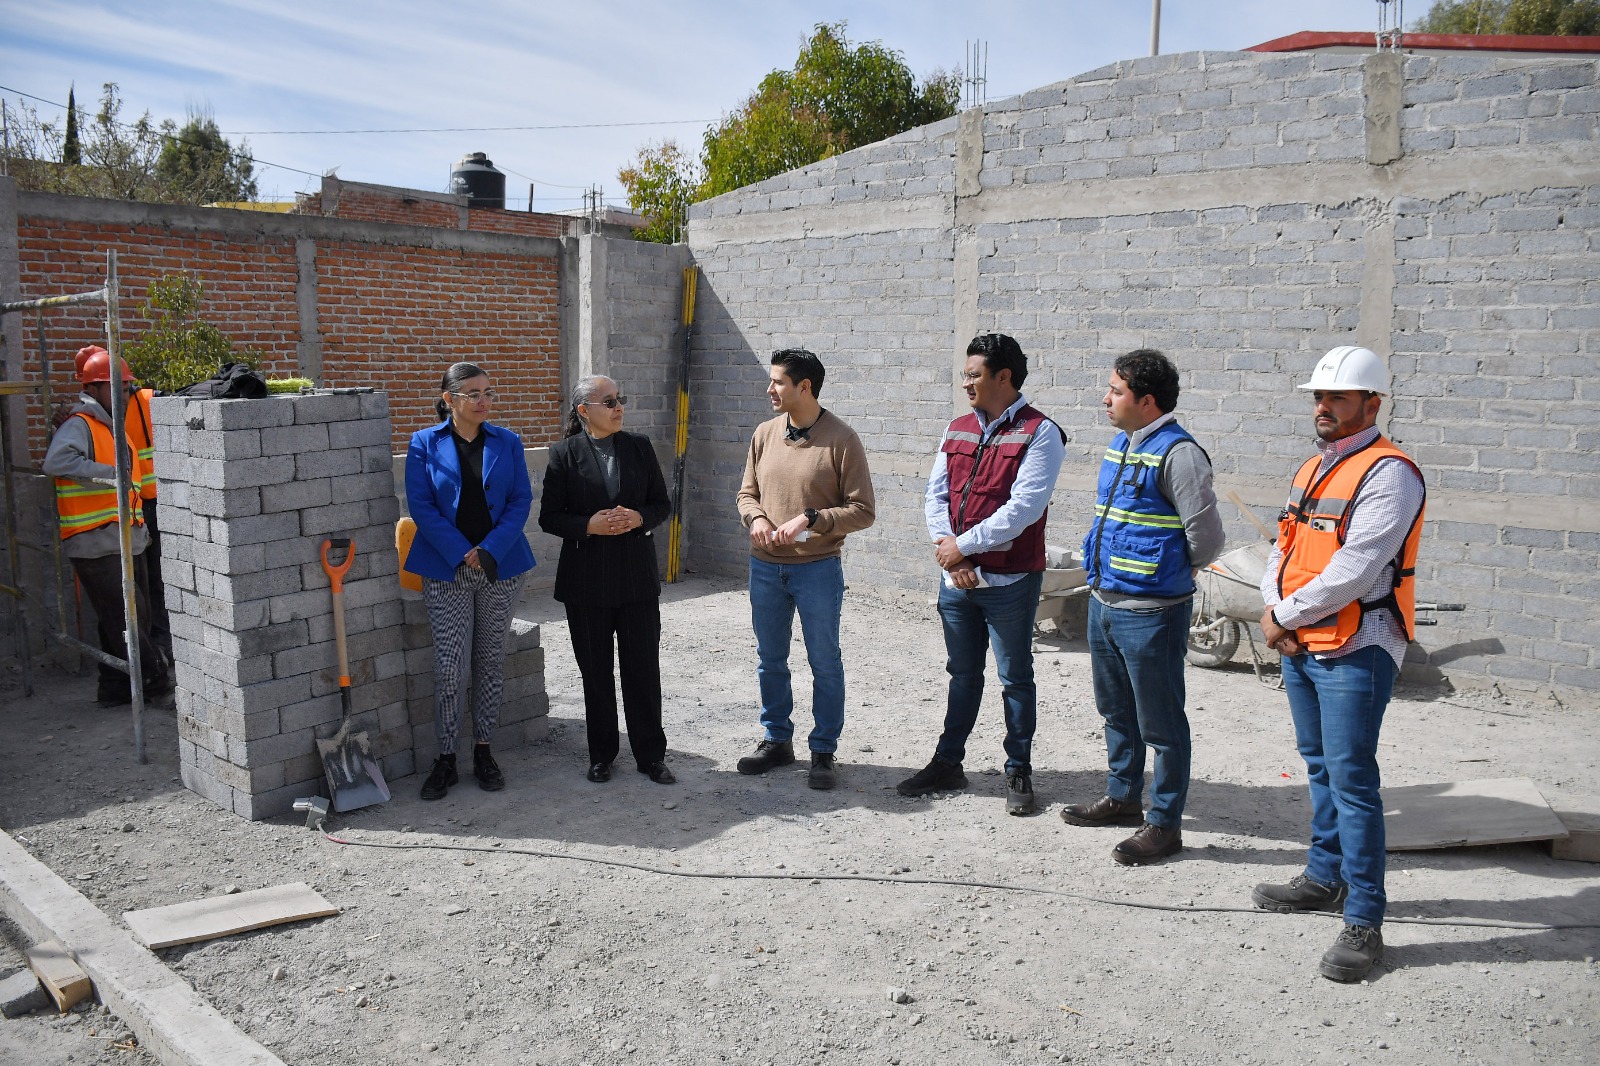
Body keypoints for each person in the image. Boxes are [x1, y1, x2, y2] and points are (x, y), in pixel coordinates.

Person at [1255, 345, 1426, 983]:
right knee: (1321, 765)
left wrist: (1284, 616)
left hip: (1358, 644)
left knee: (1353, 779)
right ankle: (1324, 876)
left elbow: (1356, 569)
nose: (1323, 408)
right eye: (1318, 398)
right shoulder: (1313, 468)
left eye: (1337, 399)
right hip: (1303, 637)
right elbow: (1284, 545)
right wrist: (1277, 608)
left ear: (1371, 404)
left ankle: (1365, 917)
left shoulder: (1391, 474)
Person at [1060, 349, 1224, 863]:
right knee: (1115, 710)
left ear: (1146, 401)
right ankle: (1124, 796)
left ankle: (1164, 823)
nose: (1105, 398)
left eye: (1115, 390)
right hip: (1106, 601)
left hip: (1152, 610)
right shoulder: (1122, 444)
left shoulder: (1181, 454)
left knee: (1161, 722)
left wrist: (1172, 570)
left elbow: (1208, 540)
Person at [899, 334, 1065, 816]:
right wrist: (954, 556)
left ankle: (1019, 769)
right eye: (965, 374)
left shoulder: (1041, 433)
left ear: (1004, 377)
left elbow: (1024, 509)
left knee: (1015, 677)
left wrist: (963, 547)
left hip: (1010, 582)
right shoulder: (956, 428)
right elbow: (936, 497)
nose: (966, 382)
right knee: (962, 674)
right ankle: (948, 763)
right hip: (957, 578)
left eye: (974, 374)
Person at [734, 348, 875, 790]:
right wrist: (756, 518)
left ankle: (824, 750)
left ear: (804, 387)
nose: (769, 388)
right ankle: (777, 740)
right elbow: (746, 493)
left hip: (817, 569)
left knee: (824, 661)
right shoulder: (764, 433)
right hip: (764, 569)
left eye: (777, 381)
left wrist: (813, 519)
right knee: (770, 659)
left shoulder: (842, 439)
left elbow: (863, 510)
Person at [404, 362, 537, 801]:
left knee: (489, 660)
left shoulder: (509, 441)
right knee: (449, 666)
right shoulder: (424, 443)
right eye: (473, 393)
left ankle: (483, 749)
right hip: (447, 568)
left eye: (488, 392)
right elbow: (421, 506)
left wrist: (489, 551)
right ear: (449, 400)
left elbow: (520, 501)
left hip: (500, 567)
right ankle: (445, 758)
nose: (484, 401)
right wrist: (463, 552)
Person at [539, 376, 674, 785]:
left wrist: (638, 518)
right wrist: (589, 525)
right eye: (609, 401)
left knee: (642, 669)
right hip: (587, 582)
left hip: (635, 577)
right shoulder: (564, 454)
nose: (619, 408)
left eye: (620, 399)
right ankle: (602, 754)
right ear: (584, 411)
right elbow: (550, 517)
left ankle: (651, 756)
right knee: (596, 672)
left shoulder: (639, 447)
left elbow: (661, 504)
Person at [42, 349, 171, 706]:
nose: (126, 395)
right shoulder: (80, 424)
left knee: (125, 618)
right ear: (96, 388)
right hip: (95, 542)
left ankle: (114, 688)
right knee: (128, 619)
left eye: (127, 388)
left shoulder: (111, 427)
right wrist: (108, 477)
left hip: (124, 537)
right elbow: (57, 462)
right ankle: (156, 686)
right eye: (119, 388)